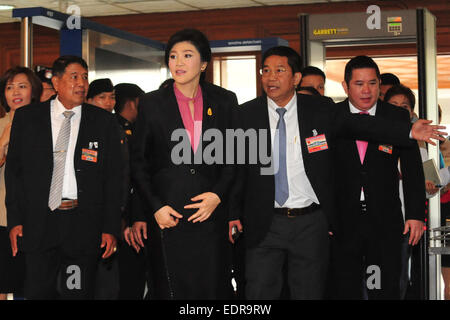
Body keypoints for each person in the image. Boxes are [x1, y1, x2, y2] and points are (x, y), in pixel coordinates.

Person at [228, 47, 443, 300]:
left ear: (296, 78)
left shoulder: (319, 110)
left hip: (312, 222)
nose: (271, 77)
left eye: (279, 70)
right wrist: (233, 211)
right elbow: (237, 167)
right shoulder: (245, 114)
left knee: (311, 292)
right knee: (260, 292)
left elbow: (360, 124)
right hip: (267, 221)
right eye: (266, 71)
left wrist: (407, 132)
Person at [131, 28, 238, 299]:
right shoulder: (151, 103)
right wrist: (155, 207)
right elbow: (138, 163)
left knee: (212, 289)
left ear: (203, 63)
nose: (178, 63)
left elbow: (236, 157)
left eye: (187, 55)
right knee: (170, 290)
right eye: (173, 56)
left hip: (210, 213)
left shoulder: (225, 101)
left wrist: (217, 195)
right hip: (168, 216)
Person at [6, 55, 123, 300]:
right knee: (39, 292)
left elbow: (115, 179)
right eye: (74, 77)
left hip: (81, 225)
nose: (81, 83)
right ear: (56, 83)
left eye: (84, 77)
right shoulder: (28, 118)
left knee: (76, 292)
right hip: (39, 224)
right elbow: (14, 174)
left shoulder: (103, 122)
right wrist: (16, 220)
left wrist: (110, 227)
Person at [330, 56, 426, 300]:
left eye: (372, 83)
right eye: (359, 84)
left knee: (384, 288)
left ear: (379, 83)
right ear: (345, 86)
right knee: (344, 288)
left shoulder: (396, 117)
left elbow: (413, 169)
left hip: (384, 219)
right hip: (342, 220)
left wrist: (415, 214)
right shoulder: (331, 115)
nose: (366, 91)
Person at [0, 66, 42, 300]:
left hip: (39, 219)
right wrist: (4, 139)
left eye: (22, 86)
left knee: (33, 284)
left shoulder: (46, 125)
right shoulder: (1, 125)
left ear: (33, 91)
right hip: (3, 219)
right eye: (9, 87)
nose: (15, 91)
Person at [113, 82, 149, 300]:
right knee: (129, 279)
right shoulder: (123, 131)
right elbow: (130, 179)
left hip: (128, 216)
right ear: (133, 103)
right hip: (127, 216)